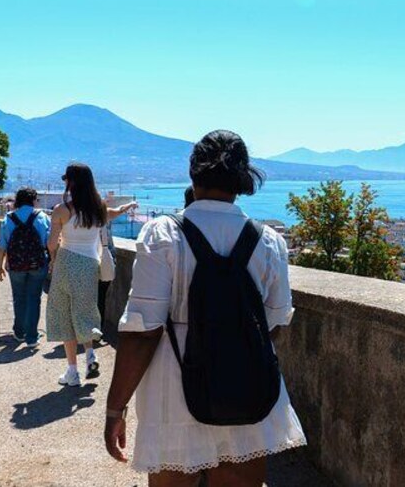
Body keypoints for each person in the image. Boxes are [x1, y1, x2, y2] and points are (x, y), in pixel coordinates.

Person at [104, 130, 306, 487]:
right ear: (243, 179)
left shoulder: (162, 234)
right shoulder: (269, 242)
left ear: (193, 174)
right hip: (246, 393)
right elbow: (275, 322)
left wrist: (115, 408)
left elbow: (142, 332)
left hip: (174, 392)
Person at [46, 163, 136, 386]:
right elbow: (113, 213)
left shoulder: (61, 210)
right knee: (85, 310)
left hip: (67, 262)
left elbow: (50, 244)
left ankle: (72, 372)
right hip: (90, 265)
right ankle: (91, 355)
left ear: (71, 182)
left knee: (64, 314)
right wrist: (128, 206)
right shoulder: (99, 209)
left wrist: (53, 257)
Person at [0, 187, 51, 347]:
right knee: (34, 298)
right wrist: (53, 260)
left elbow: (2, 245)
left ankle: (19, 332)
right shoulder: (42, 217)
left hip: (15, 265)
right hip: (38, 263)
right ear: (34, 200)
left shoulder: (9, 218)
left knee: (19, 298)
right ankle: (32, 337)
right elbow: (50, 242)